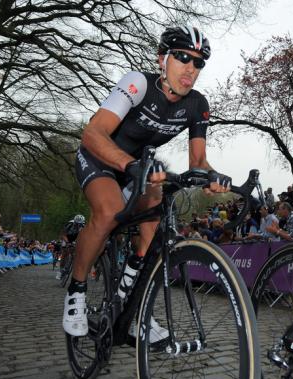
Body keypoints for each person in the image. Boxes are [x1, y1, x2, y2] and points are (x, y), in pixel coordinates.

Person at [63, 25, 230, 337]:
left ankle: (132, 301)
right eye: (182, 57)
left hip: (139, 168)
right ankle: (77, 289)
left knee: (156, 217)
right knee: (109, 212)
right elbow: (94, 132)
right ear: (162, 59)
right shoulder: (138, 83)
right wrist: (129, 164)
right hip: (100, 157)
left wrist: (212, 176)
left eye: (198, 63)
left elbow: (198, 161)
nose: (190, 68)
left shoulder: (197, 104)